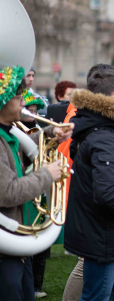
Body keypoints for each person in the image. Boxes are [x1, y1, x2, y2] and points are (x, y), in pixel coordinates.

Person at [64, 69, 114, 301]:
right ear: (113, 99)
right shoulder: (104, 135)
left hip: (110, 233)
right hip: (102, 235)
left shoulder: (103, 128)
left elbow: (107, 177)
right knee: (97, 296)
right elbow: (106, 193)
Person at [0, 66, 73, 301]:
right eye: (19, 98)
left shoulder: (8, 132)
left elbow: (28, 142)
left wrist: (52, 133)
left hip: (16, 244)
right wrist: (47, 175)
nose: (24, 103)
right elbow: (7, 192)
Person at [61, 64, 114, 301]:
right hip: (91, 211)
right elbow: (71, 154)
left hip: (95, 211)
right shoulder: (89, 122)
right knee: (89, 275)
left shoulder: (91, 120)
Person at [20, 90, 52, 299]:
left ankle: (35, 286)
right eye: (27, 109)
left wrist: (50, 134)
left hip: (37, 190)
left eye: (33, 110)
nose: (32, 113)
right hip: (25, 192)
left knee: (39, 246)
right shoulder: (13, 132)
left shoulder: (34, 128)